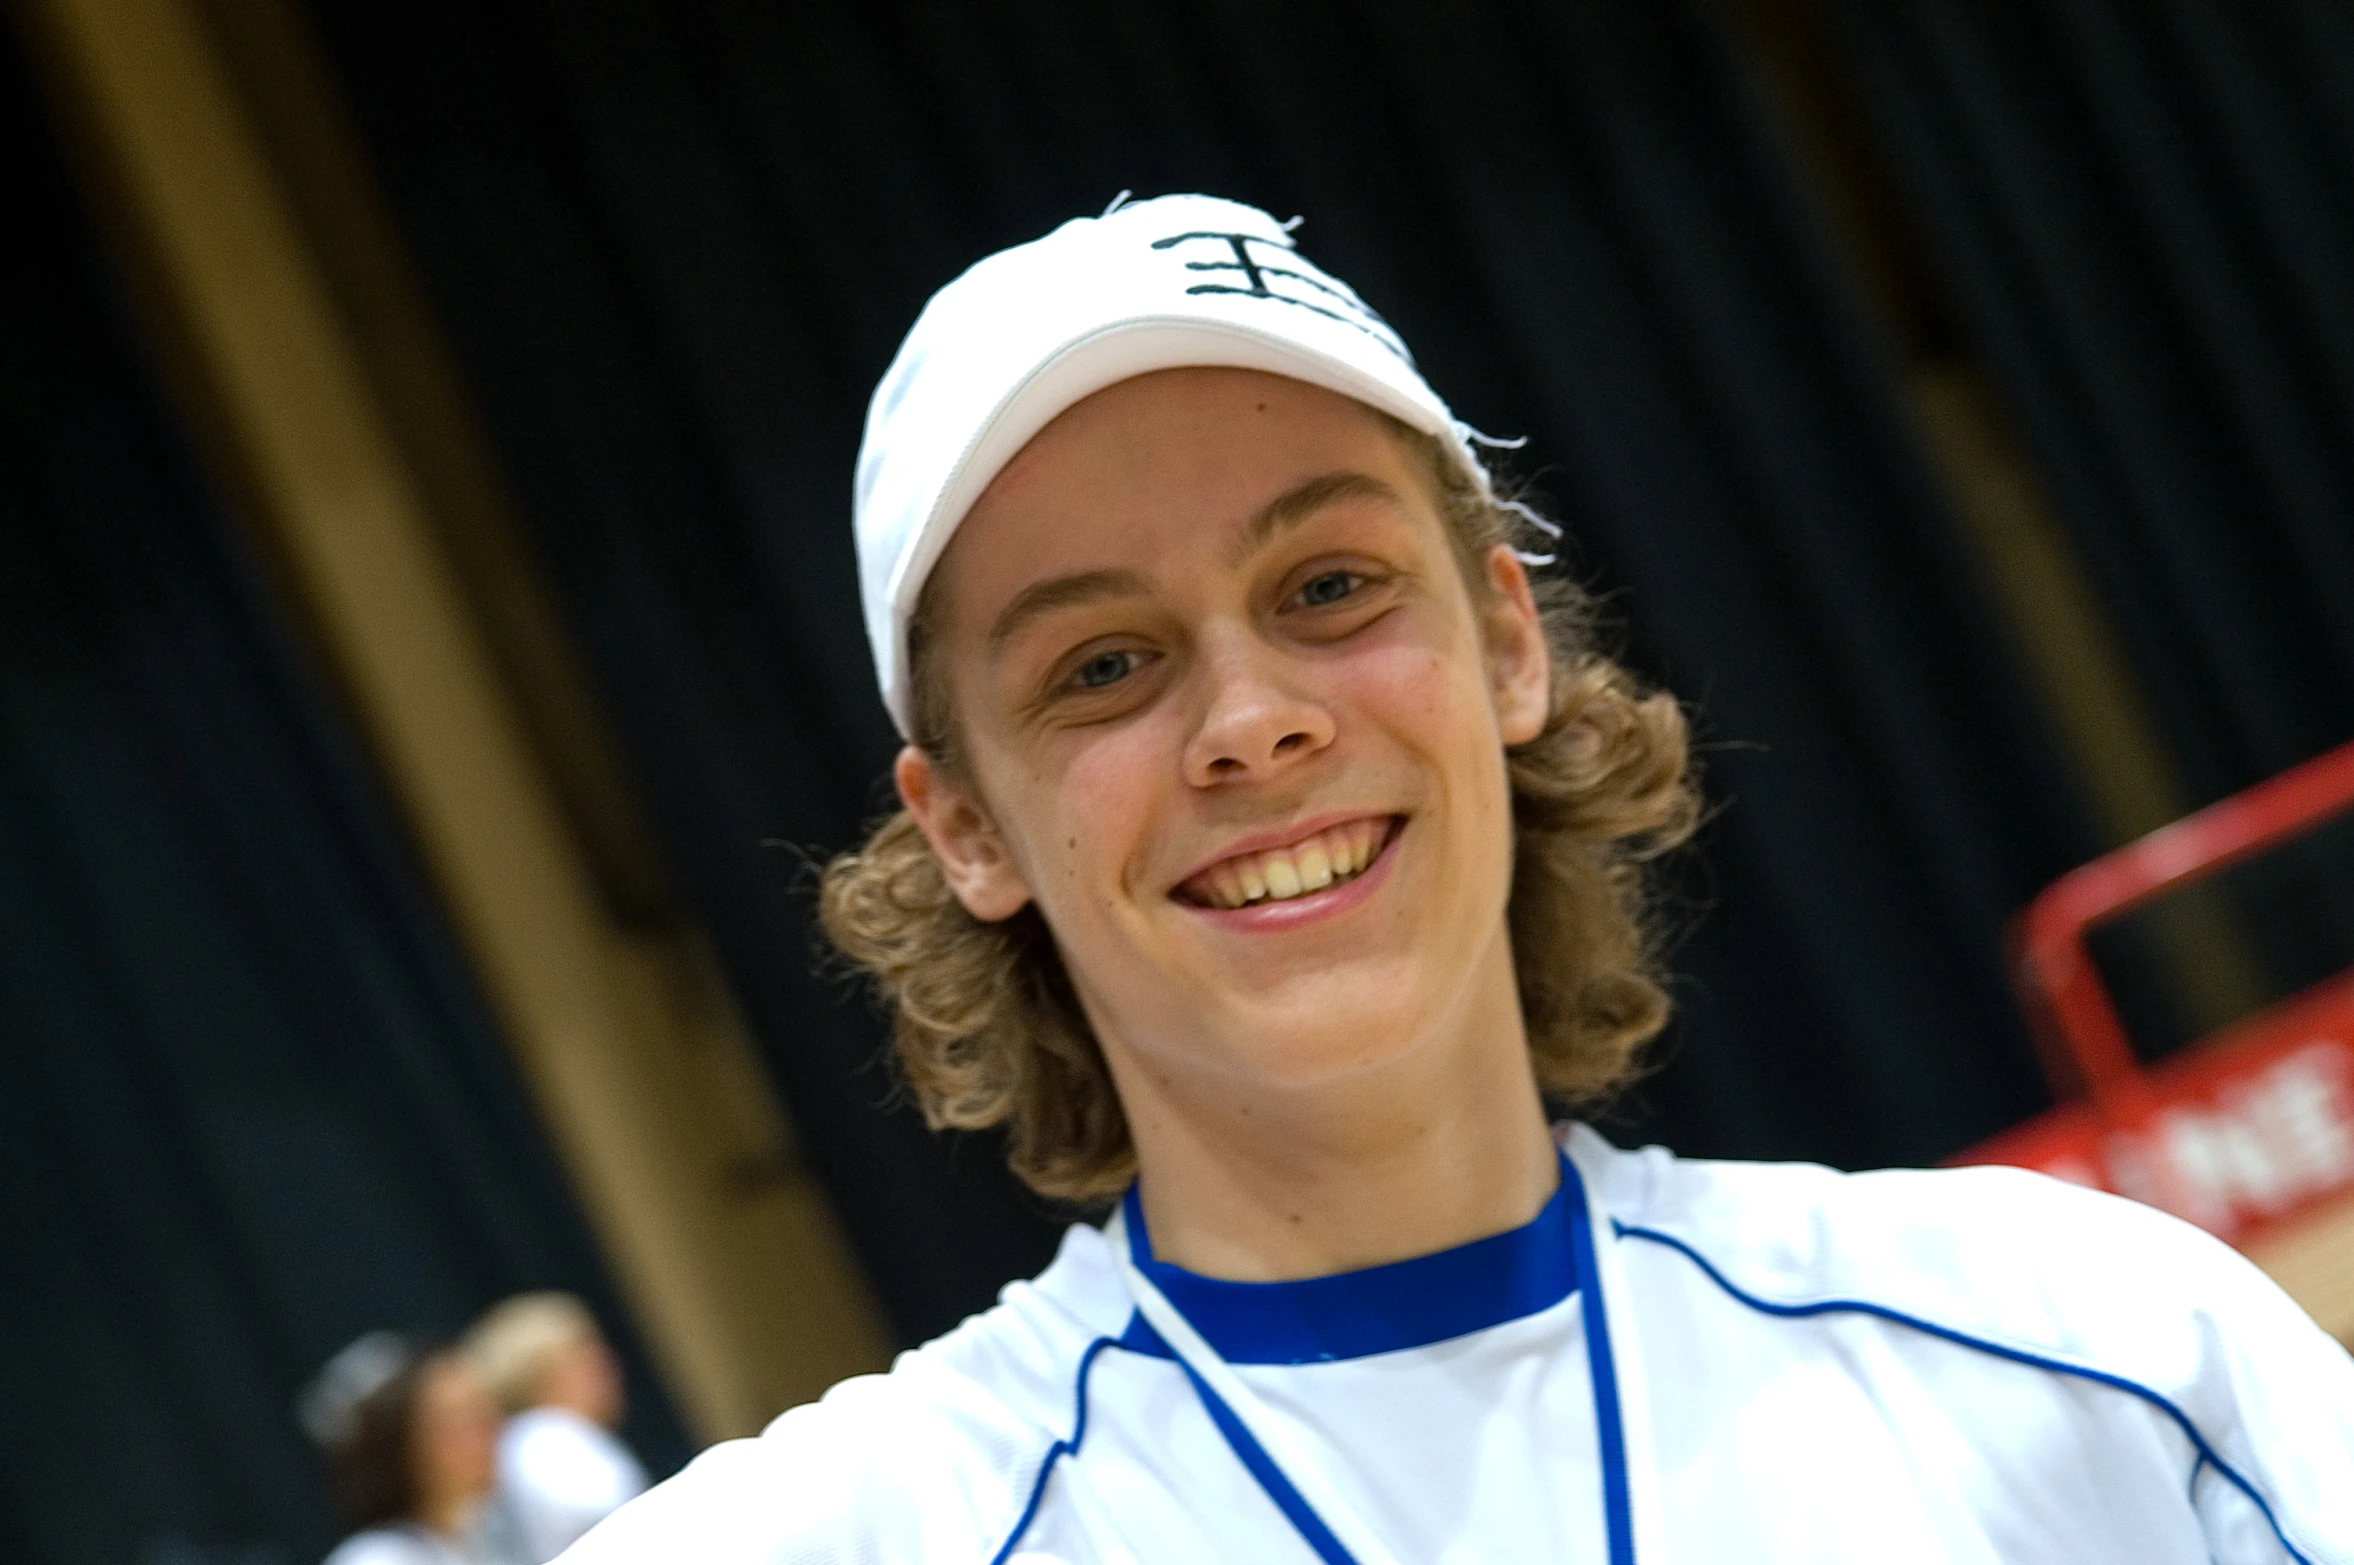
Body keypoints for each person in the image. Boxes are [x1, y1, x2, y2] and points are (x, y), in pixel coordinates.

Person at [562, 194, 2354, 1562]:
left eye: (1327, 588)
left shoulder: (2096, 1364)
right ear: (963, 827)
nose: (1249, 724)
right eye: (1098, 666)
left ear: (1504, 639)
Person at [300, 1332, 516, 1565]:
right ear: (404, 1453)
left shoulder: (481, 1531)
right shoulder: (377, 1559)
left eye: (486, 1408)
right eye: (461, 1421)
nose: (494, 1429)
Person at [463, 1292, 646, 1563]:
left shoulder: (528, 1444)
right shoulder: (549, 1441)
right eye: (584, 1354)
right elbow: (627, 1531)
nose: (608, 1363)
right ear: (539, 1375)